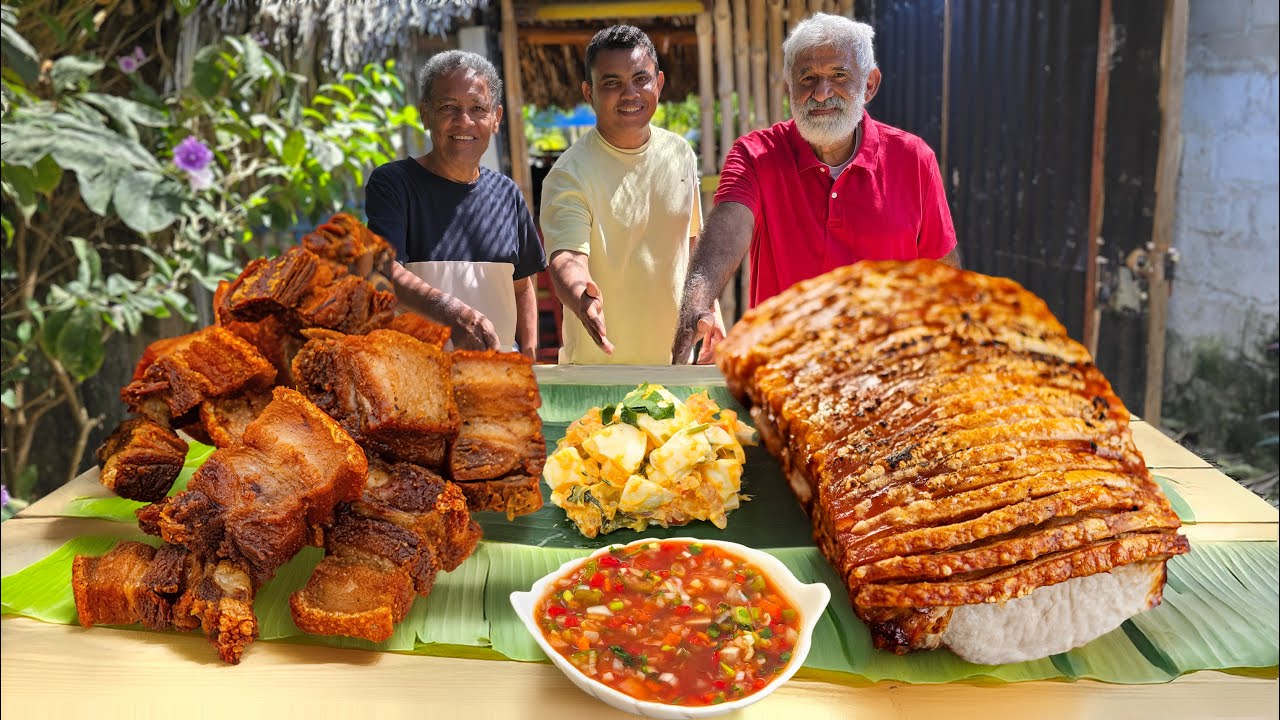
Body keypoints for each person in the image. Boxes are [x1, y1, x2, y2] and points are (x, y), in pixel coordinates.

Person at [671, 13, 960, 363]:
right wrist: (697, 302)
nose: (822, 94)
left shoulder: (913, 159)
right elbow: (730, 223)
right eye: (808, 78)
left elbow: (942, 273)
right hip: (783, 375)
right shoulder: (756, 154)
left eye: (839, 75)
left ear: (869, 85)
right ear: (789, 89)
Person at [540, 25, 721, 365]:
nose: (630, 93)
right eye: (611, 83)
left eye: (641, 79)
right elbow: (566, 259)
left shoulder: (680, 153)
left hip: (674, 369)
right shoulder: (569, 174)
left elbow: (691, 244)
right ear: (588, 92)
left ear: (660, 83)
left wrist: (711, 313)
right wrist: (582, 296)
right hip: (598, 376)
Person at [365, 50, 546, 358]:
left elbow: (522, 287)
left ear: (496, 119)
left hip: (498, 378)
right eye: (448, 107)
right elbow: (383, 272)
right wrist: (452, 313)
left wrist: (529, 357)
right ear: (425, 114)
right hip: (419, 379)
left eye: (478, 108)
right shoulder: (394, 183)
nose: (464, 122)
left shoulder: (507, 194)